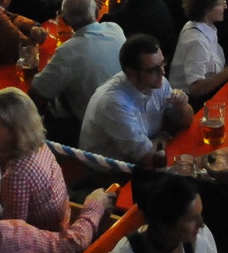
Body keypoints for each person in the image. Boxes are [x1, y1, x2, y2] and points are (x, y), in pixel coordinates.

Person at [80, 34, 195, 167]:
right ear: (132, 74)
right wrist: (166, 135)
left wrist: (182, 106)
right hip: (111, 173)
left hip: (143, 157)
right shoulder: (114, 102)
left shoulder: (157, 82)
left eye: (162, 63)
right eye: (153, 69)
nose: (163, 73)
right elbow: (150, 158)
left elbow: (187, 121)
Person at [31, 0, 125, 137]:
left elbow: (38, 91)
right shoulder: (115, 29)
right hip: (125, 115)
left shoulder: (68, 51)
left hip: (92, 132)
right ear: (96, 10)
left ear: (65, 21)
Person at [0, 88, 69, 231]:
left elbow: (12, 232)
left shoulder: (17, 174)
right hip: (63, 222)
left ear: (15, 131)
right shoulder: (38, 144)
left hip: (44, 239)